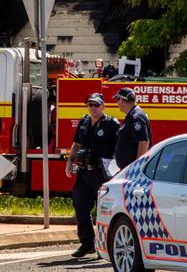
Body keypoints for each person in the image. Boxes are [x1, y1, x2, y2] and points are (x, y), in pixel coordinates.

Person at [65, 93, 119, 258]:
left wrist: (116, 171)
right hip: (83, 172)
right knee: (81, 208)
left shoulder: (111, 124)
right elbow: (76, 144)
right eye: (90, 105)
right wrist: (69, 163)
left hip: (102, 174)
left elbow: (119, 149)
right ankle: (87, 244)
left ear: (103, 106)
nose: (93, 108)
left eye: (96, 105)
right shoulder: (83, 122)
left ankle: (104, 248)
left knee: (104, 212)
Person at [113, 87, 152, 169]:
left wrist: (137, 167)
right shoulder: (132, 115)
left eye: (117, 99)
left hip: (133, 170)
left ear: (122, 100)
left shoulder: (136, 117)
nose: (117, 103)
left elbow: (143, 142)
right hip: (128, 169)